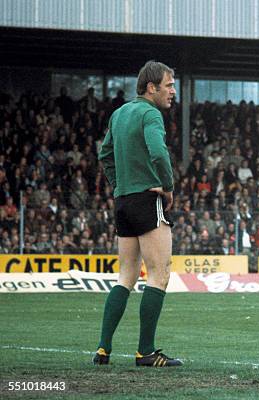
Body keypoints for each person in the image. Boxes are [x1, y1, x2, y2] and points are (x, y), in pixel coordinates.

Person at [93, 60, 182, 367]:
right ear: (151, 87)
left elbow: (105, 153)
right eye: (168, 85)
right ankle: (146, 352)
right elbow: (158, 152)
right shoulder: (150, 114)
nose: (173, 91)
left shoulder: (119, 114)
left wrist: (119, 185)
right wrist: (167, 186)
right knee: (159, 274)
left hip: (123, 202)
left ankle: (103, 348)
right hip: (147, 197)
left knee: (126, 276)